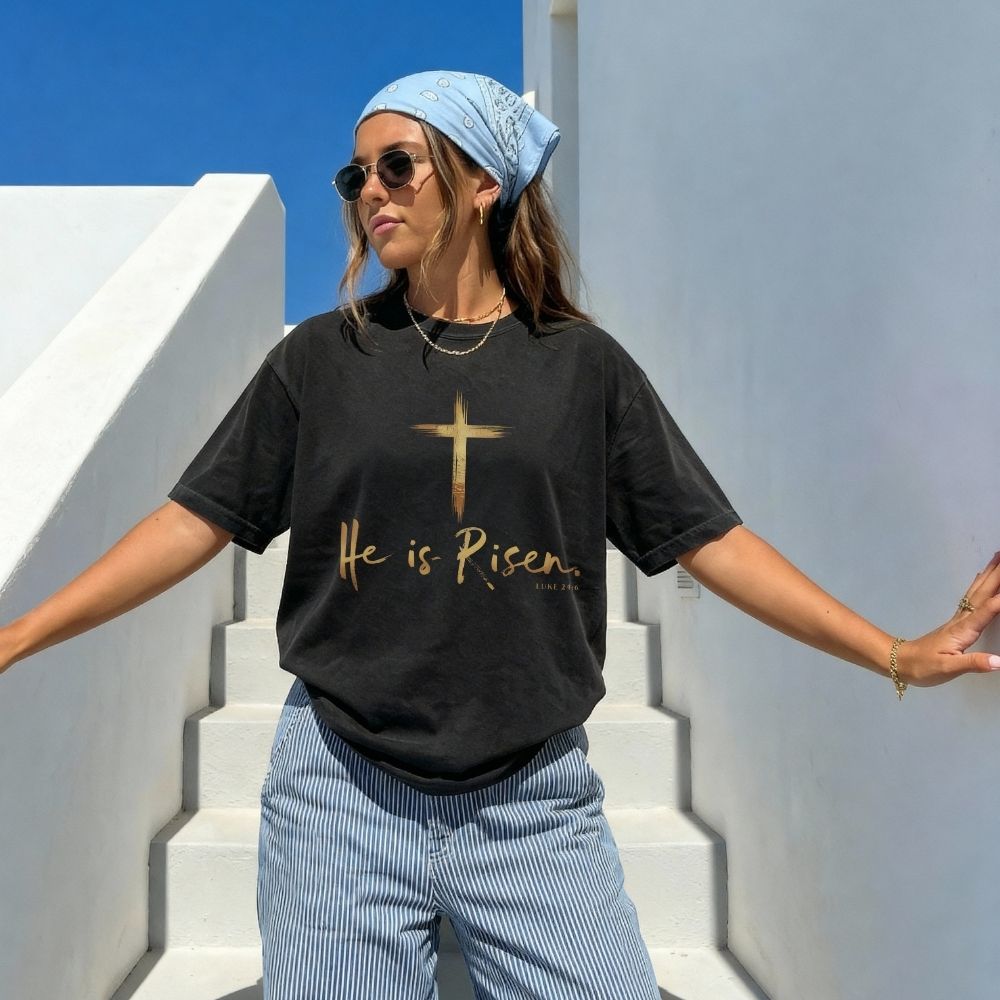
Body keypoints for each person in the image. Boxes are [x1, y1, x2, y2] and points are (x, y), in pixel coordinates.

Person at [1, 69, 999, 1000]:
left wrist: (893, 651)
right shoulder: (321, 360)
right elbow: (195, 520)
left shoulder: (582, 368)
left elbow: (708, 538)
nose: (370, 192)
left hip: (532, 798)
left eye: (399, 164)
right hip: (340, 787)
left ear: (481, 181)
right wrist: (18, 633)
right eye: (356, 174)